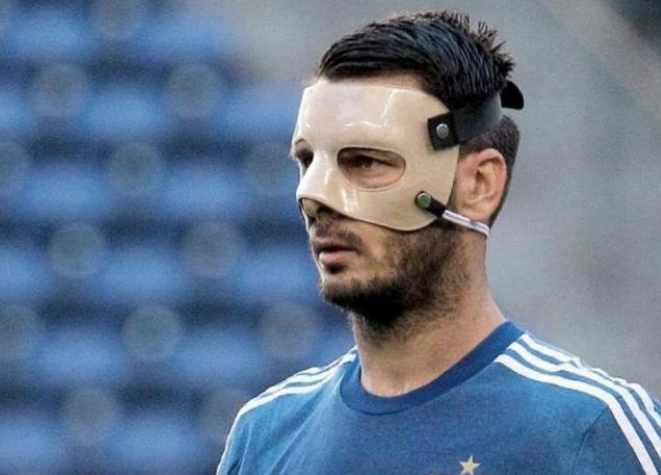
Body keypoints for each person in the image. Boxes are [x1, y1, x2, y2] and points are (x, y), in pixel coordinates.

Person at [217, 10, 661, 475]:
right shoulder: (265, 434)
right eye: (307, 161)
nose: (313, 197)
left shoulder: (593, 431)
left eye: (365, 161)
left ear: (479, 184)